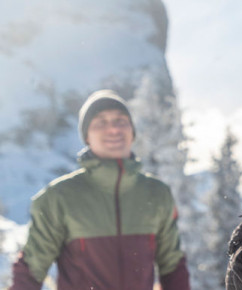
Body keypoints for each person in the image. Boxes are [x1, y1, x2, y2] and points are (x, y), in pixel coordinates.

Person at [10, 90, 190, 290]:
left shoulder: (157, 193)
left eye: (121, 121)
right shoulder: (58, 197)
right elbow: (30, 271)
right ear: (86, 136)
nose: (113, 129)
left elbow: (173, 267)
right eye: (100, 123)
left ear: (132, 131)